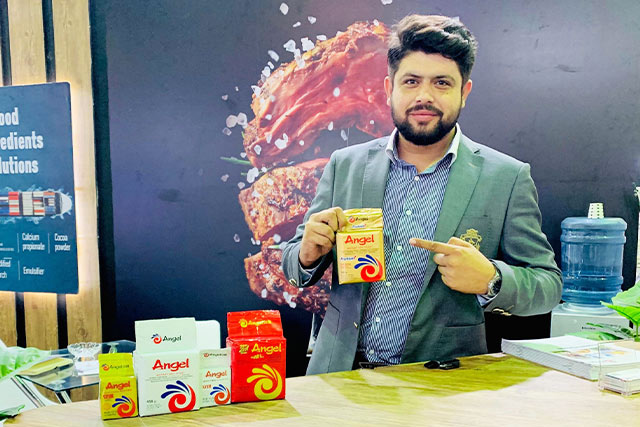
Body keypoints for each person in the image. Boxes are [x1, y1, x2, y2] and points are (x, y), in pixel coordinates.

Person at [281, 14, 562, 375]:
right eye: (411, 81)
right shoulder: (345, 165)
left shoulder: (506, 178)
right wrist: (306, 254)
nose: (424, 97)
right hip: (338, 377)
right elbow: (294, 262)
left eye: (442, 83)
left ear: (464, 92)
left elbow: (547, 285)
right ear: (389, 88)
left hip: (441, 384)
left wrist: (491, 279)